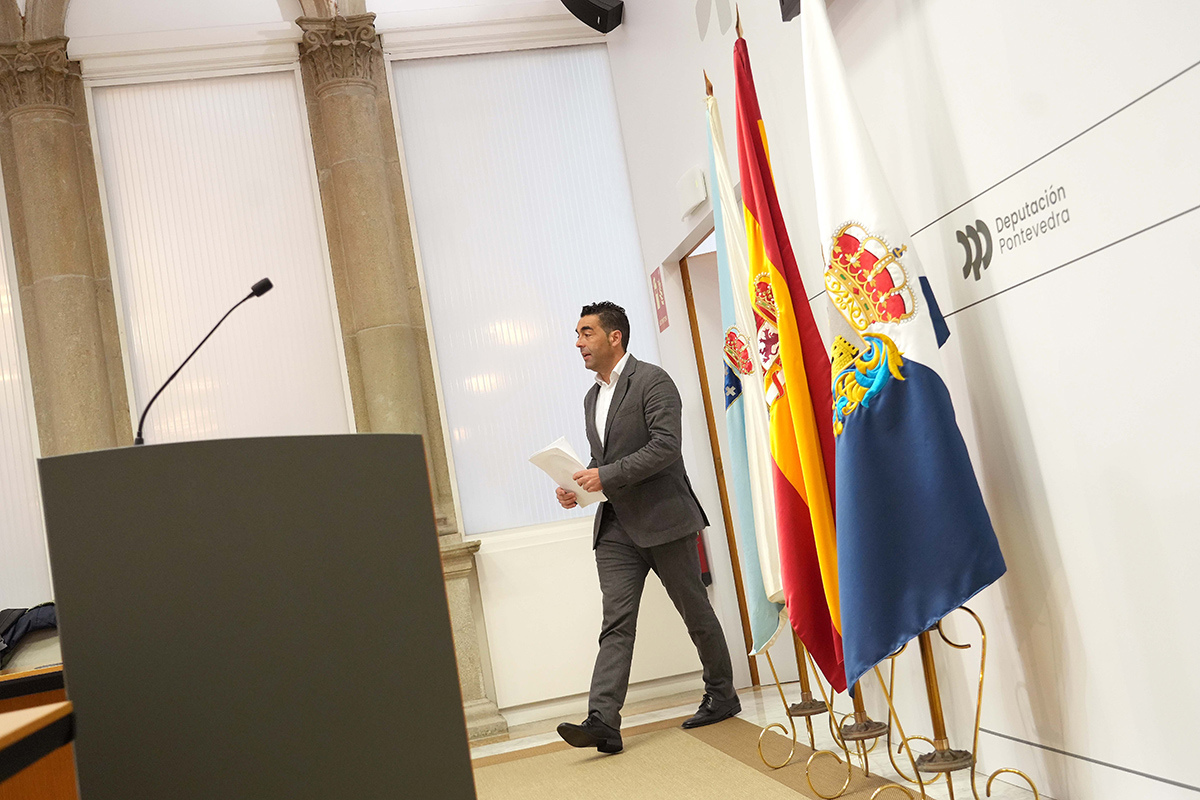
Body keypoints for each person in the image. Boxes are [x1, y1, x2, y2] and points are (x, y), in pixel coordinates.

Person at [554, 301, 740, 755]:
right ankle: (603, 722)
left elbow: (664, 447)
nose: (577, 342)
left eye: (586, 332)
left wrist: (606, 475)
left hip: (665, 519)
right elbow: (604, 461)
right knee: (616, 623)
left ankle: (722, 694)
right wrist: (577, 487)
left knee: (695, 612)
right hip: (615, 528)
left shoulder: (653, 380)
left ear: (614, 336)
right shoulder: (591, 397)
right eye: (577, 334)